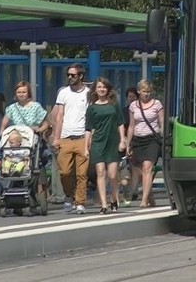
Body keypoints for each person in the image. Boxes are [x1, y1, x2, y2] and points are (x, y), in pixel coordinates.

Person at [0, 81, 49, 215]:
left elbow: (46, 123)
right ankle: (8, 201)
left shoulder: (36, 107)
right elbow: (4, 123)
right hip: (13, 142)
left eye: (24, 92)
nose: (21, 94)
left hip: (31, 141)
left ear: (28, 93)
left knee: (34, 169)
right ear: (15, 94)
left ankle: (31, 197)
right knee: (2, 169)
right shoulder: (11, 108)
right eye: (19, 92)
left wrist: (39, 129)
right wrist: (2, 133)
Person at [84, 77, 126, 214]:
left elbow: (120, 123)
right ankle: (104, 204)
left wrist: (122, 140)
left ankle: (114, 198)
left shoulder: (114, 105)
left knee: (113, 175)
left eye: (104, 87)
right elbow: (88, 128)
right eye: (99, 87)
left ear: (108, 89)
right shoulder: (92, 108)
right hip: (98, 142)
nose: (101, 89)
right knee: (100, 172)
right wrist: (86, 147)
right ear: (95, 90)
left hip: (113, 141)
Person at [52, 63, 90, 214]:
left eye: (73, 75)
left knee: (82, 173)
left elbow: (90, 117)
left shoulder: (88, 93)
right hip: (66, 137)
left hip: (82, 136)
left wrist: (89, 138)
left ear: (81, 76)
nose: (70, 78)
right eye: (68, 75)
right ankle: (69, 195)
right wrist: (56, 137)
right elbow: (59, 115)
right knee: (65, 172)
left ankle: (80, 202)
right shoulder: (64, 93)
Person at [126, 79, 163, 208]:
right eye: (144, 91)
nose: (146, 94)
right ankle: (150, 195)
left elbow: (161, 123)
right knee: (142, 171)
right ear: (139, 92)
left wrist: (164, 138)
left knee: (148, 167)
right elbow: (131, 125)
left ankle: (144, 199)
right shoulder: (133, 106)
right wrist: (127, 143)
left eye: (148, 91)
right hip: (138, 139)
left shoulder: (157, 104)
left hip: (152, 139)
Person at [121, 87, 139, 204]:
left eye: (133, 96)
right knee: (126, 167)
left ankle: (134, 190)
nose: (131, 99)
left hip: (139, 140)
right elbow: (123, 126)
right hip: (128, 141)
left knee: (135, 167)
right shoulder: (124, 111)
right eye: (129, 97)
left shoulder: (141, 109)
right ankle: (130, 190)